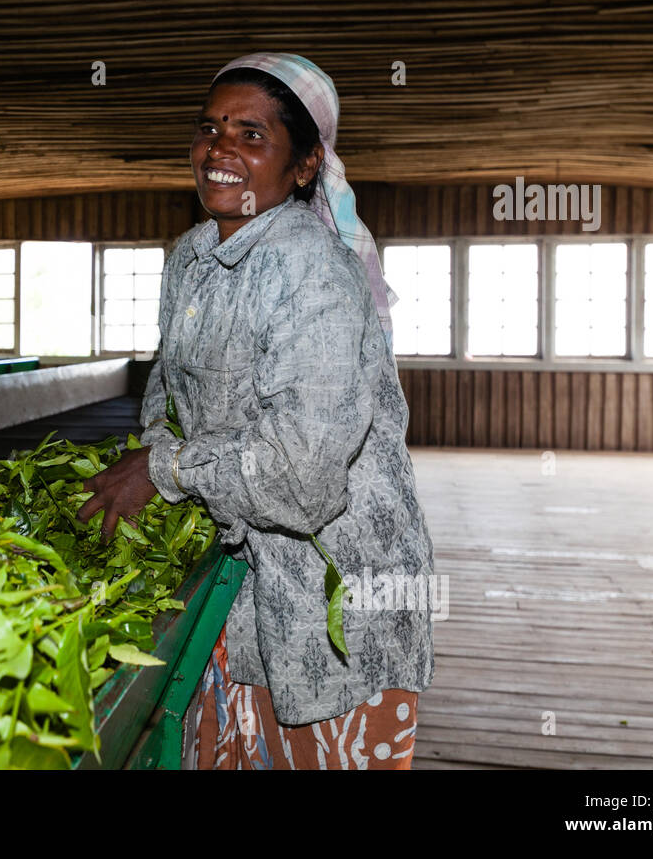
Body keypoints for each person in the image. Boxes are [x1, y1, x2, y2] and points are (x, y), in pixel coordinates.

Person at [78, 52, 435, 770]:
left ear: (304, 166)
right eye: (210, 128)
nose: (220, 149)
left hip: (332, 585)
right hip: (244, 566)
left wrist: (166, 468)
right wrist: (162, 454)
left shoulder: (313, 271)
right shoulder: (191, 258)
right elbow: (167, 396)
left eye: (251, 134)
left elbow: (302, 478)